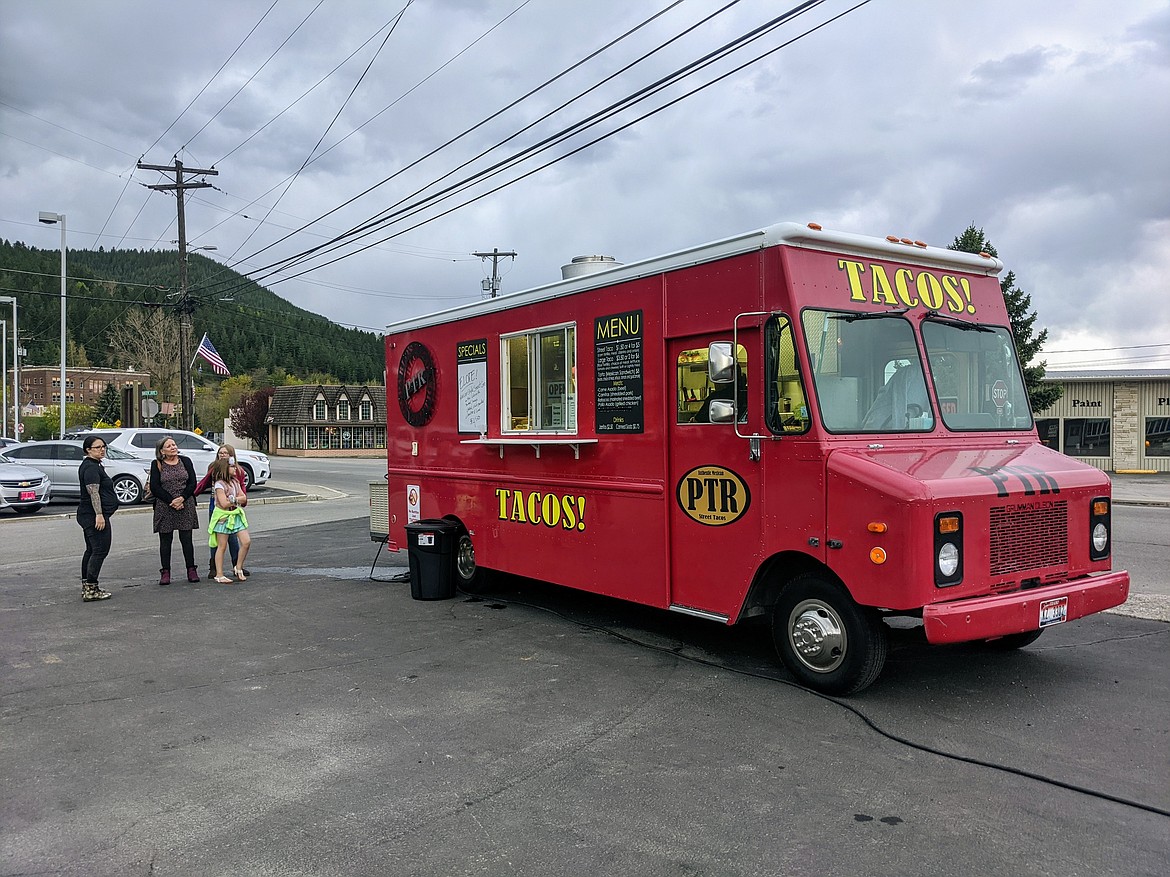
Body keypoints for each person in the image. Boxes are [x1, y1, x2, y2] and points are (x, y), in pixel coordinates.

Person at [148, 436, 200, 585]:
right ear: (162, 451)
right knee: (165, 540)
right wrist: (172, 501)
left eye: (174, 444)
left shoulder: (186, 461)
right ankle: (165, 572)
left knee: (186, 539)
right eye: (169, 446)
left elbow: (192, 483)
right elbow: (155, 487)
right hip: (165, 505)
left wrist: (182, 498)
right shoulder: (157, 464)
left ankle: (191, 569)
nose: (173, 447)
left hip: (185, 503)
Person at [195, 444, 247, 580]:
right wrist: (192, 493)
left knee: (233, 538)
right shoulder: (215, 468)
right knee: (219, 539)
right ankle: (215, 568)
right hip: (217, 505)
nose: (222, 455)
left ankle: (237, 563)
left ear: (231, 455)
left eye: (225, 453)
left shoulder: (237, 472)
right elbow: (204, 483)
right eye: (220, 453)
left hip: (233, 509)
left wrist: (238, 500)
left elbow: (242, 491)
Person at [76, 434, 118, 602]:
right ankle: (91, 588)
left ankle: (88, 586)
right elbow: (93, 492)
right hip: (93, 515)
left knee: (91, 550)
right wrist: (99, 515)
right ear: (88, 450)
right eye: (97, 447)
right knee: (100, 550)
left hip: (90, 514)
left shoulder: (93, 465)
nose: (102, 450)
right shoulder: (91, 468)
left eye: (103, 447)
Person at [207, 457, 251, 583]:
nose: (235, 468)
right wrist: (235, 499)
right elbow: (223, 503)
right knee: (222, 546)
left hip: (235, 515)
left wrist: (234, 499)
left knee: (246, 541)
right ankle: (219, 574)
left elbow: (243, 498)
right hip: (223, 517)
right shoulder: (219, 484)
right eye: (232, 467)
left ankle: (238, 567)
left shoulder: (235, 482)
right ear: (224, 469)